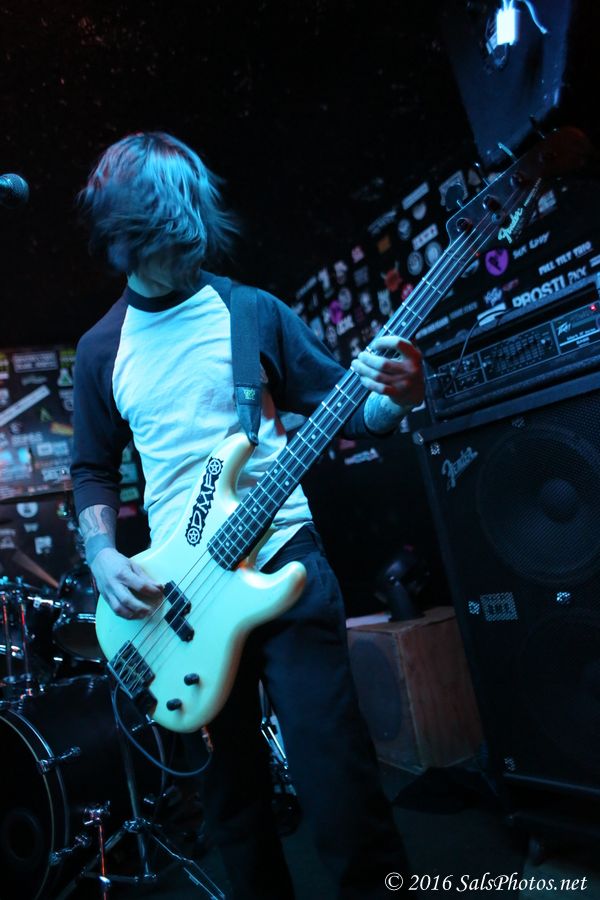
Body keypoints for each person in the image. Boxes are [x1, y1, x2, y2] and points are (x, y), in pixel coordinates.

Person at [71, 131, 424, 899]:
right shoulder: (101, 350)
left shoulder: (251, 311)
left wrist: (398, 397)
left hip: (285, 559)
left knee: (340, 784)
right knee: (234, 808)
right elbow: (91, 468)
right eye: (163, 247)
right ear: (123, 242)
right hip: (182, 596)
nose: (183, 258)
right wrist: (102, 557)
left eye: (191, 240)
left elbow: (352, 409)